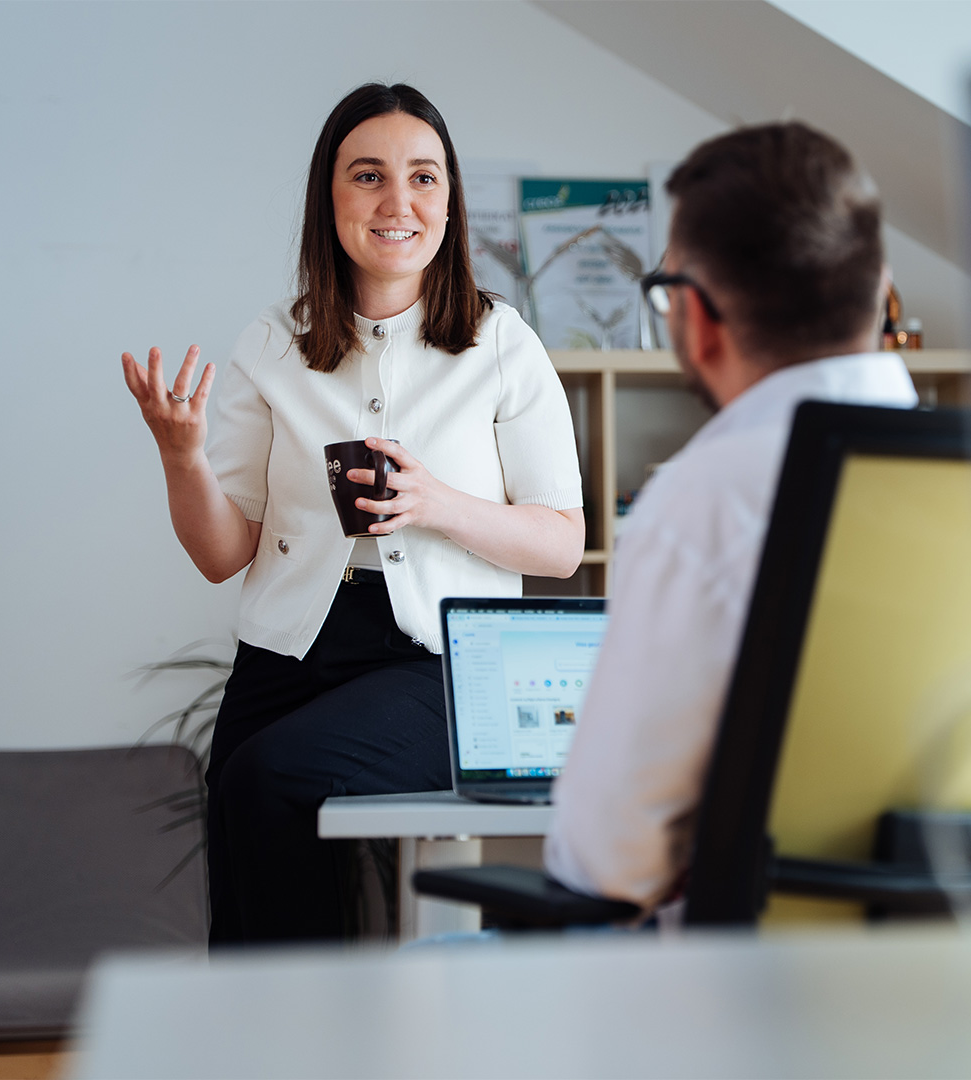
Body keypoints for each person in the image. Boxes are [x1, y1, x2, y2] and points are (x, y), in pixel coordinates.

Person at [122, 83, 584, 945]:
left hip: (437, 659)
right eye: (368, 176)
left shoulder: (502, 344)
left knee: (267, 778)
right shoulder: (273, 343)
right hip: (288, 649)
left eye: (424, 178)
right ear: (328, 199)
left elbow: (562, 544)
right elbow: (224, 553)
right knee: (242, 807)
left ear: (449, 200)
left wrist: (435, 503)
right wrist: (181, 456)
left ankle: (324, 1029)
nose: (398, 203)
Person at [544, 121, 918, 915]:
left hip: (744, 1011)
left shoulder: (704, 503)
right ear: (877, 290)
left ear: (697, 318)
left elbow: (609, 861)